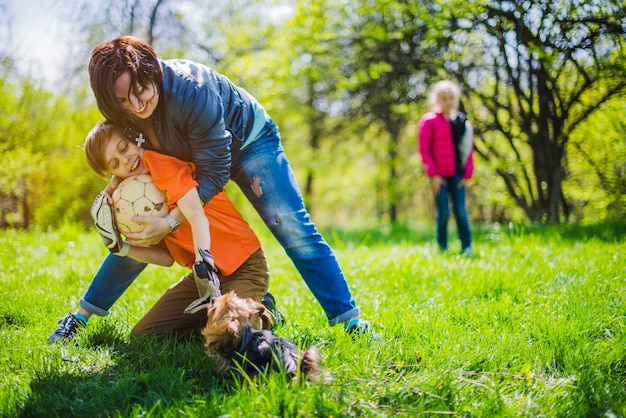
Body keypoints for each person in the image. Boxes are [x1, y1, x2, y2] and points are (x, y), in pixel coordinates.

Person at [50, 35, 376, 343]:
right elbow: (127, 153)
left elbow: (216, 170)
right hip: (193, 151)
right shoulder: (126, 111)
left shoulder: (193, 90)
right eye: (123, 100)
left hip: (248, 141)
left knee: (289, 224)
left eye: (141, 90)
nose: (136, 105)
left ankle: (349, 320)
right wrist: (118, 187)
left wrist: (172, 221)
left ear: (153, 71)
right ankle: (83, 314)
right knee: (139, 216)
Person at [49, 121, 275, 342]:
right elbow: (166, 258)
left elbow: (196, 215)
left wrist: (200, 261)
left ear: (134, 138)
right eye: (115, 164)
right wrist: (122, 247)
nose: (126, 161)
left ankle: (261, 312)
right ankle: (220, 315)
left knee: (231, 335)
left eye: (124, 148)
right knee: (145, 335)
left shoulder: (160, 164)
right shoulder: (141, 199)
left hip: (244, 266)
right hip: (203, 280)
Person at [418, 80, 474, 256]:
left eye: (451, 98)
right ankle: (442, 247)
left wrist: (466, 175)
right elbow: (424, 149)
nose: (448, 102)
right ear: (437, 100)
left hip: (457, 174)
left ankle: (467, 247)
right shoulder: (429, 121)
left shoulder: (461, 121)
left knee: (461, 210)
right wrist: (433, 175)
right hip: (438, 175)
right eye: (444, 98)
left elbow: (468, 149)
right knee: (443, 212)